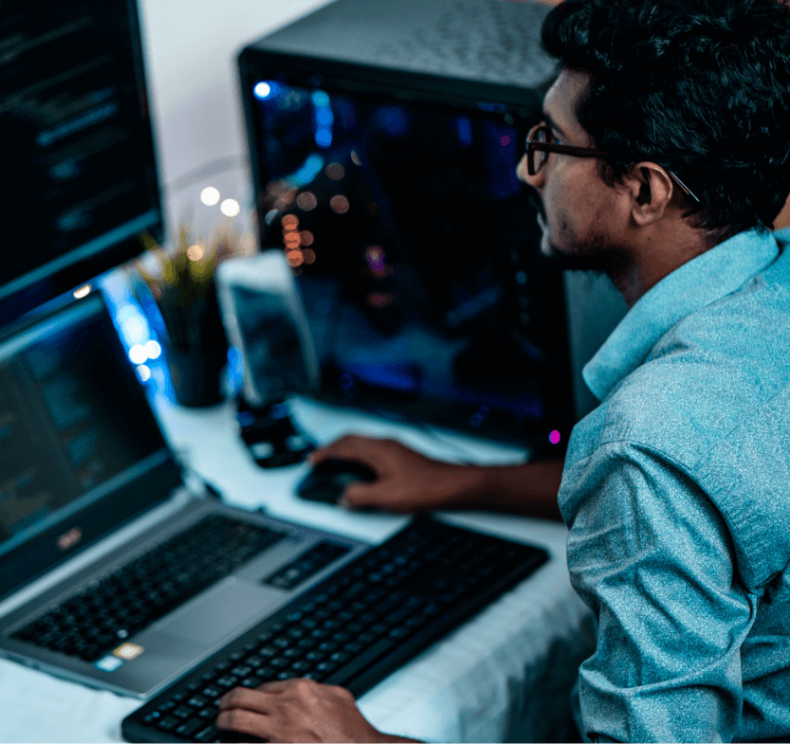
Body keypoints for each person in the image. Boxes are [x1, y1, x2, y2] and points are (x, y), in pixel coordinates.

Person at [216, 0, 790, 741]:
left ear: (645, 191)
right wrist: (463, 481)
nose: (526, 170)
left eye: (551, 143)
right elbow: (722, 497)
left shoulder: (649, 444)